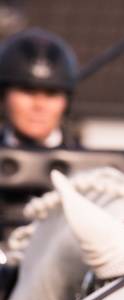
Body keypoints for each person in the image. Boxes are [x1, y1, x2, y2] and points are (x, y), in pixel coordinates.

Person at [0, 28, 78, 238]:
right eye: (28, 91)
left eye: (51, 93)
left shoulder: (90, 175)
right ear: (3, 96)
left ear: (66, 102)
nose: (39, 105)